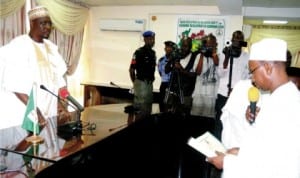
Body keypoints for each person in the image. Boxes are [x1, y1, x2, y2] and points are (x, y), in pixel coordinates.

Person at [207, 38, 300, 178]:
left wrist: (227, 163)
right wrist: (241, 151)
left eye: (253, 71)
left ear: (268, 67)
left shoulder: (286, 106)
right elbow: (265, 149)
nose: (252, 78)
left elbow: (276, 167)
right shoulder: (279, 99)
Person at [0, 6, 70, 151]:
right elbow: (14, 85)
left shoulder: (52, 48)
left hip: (48, 110)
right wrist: (36, 112)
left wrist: (62, 106)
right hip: (26, 110)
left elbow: (58, 82)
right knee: (24, 154)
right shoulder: (19, 46)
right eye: (43, 23)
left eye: (49, 24)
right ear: (32, 23)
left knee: (46, 151)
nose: (47, 27)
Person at [214, 30, 250, 140]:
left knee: (235, 122)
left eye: (239, 39)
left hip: (238, 96)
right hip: (223, 94)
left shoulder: (247, 57)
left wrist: (238, 89)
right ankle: (216, 147)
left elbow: (249, 77)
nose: (237, 41)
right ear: (232, 40)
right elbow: (219, 74)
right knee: (219, 122)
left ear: (243, 42)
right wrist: (227, 57)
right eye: (235, 39)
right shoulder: (224, 54)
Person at [165, 37, 201, 116]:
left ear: (190, 47)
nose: (183, 48)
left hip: (186, 93)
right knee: (169, 116)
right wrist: (172, 60)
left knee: (184, 117)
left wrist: (181, 69)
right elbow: (166, 70)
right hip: (173, 91)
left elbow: (194, 75)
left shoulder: (195, 57)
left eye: (186, 46)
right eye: (182, 46)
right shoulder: (177, 55)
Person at [129, 30, 156, 120]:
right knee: (140, 110)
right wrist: (136, 83)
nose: (152, 41)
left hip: (149, 84)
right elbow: (132, 69)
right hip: (141, 83)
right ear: (145, 39)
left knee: (148, 108)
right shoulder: (138, 52)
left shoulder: (153, 53)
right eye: (150, 39)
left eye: (153, 39)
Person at [191, 33, 219, 118]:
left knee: (208, 119)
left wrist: (213, 53)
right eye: (208, 44)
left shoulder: (219, 56)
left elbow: (217, 63)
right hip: (198, 93)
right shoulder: (199, 56)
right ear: (204, 44)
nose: (209, 46)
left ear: (215, 45)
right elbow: (198, 72)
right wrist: (202, 55)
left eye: (212, 44)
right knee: (195, 117)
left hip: (211, 93)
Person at [157, 40, 176, 113]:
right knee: (162, 106)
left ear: (173, 49)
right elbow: (160, 72)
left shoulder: (176, 60)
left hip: (173, 85)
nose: (168, 49)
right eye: (167, 47)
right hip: (164, 84)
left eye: (170, 47)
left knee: (171, 107)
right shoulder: (161, 60)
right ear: (165, 48)